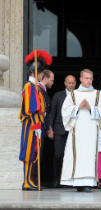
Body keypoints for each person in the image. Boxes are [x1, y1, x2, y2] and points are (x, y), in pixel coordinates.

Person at [60, 69, 101, 192]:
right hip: (77, 130)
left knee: (89, 155)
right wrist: (77, 107)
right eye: (86, 78)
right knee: (77, 154)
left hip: (91, 131)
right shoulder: (73, 94)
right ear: (81, 79)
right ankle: (77, 182)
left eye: (91, 78)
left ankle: (87, 183)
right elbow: (64, 111)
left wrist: (91, 108)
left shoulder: (98, 94)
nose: (89, 80)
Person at [19, 50, 52, 191]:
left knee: (33, 153)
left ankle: (29, 180)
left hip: (35, 123)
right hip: (32, 124)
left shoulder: (35, 87)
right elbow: (32, 108)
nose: (42, 75)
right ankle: (26, 181)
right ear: (34, 72)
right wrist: (37, 125)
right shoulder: (30, 86)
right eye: (40, 72)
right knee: (29, 152)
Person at [49, 75, 76, 188]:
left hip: (74, 131)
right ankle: (56, 179)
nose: (71, 85)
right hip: (60, 130)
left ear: (76, 83)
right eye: (69, 83)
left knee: (72, 156)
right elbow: (52, 113)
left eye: (73, 83)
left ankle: (70, 180)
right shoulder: (58, 95)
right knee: (59, 155)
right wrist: (50, 128)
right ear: (65, 83)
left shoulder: (78, 95)